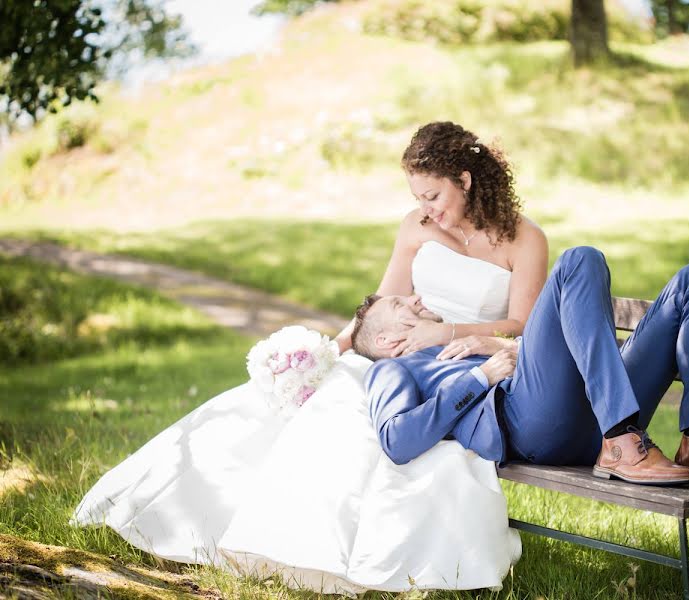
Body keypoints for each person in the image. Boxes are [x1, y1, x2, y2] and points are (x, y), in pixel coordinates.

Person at [72, 122, 549, 594]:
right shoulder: (415, 227)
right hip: (391, 357)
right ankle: (245, 531)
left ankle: (358, 555)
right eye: (417, 197)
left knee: (389, 437)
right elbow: (380, 303)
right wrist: (327, 350)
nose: (425, 209)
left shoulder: (524, 239)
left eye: (433, 196)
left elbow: (522, 326)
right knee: (323, 401)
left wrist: (443, 332)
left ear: (464, 181)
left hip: (457, 362)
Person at [355, 246, 689, 486]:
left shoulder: (453, 337)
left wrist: (497, 347)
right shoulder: (393, 369)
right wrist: (478, 376)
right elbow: (397, 440)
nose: (414, 298)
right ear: (386, 341)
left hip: (595, 408)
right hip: (533, 425)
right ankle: (618, 439)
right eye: (399, 303)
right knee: (579, 260)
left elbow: (557, 353)